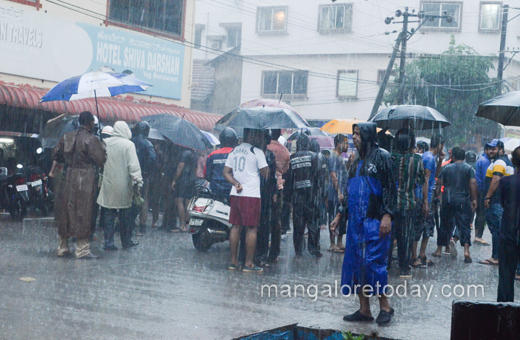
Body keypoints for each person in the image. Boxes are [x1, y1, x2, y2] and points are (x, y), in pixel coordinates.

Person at [330, 123, 396, 325]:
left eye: (358, 134)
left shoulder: (382, 157)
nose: (355, 138)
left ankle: (385, 307)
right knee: (356, 264)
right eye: (354, 134)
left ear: (368, 136)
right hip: (355, 224)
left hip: (374, 221)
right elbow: (350, 192)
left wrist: (387, 215)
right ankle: (364, 310)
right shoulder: (356, 160)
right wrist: (340, 215)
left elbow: (391, 188)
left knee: (373, 264)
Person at [52, 111, 106, 259]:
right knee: (84, 210)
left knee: (66, 210)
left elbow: (56, 154)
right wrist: (102, 145)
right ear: (89, 123)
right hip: (86, 178)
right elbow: (101, 160)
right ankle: (82, 249)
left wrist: (69, 161)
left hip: (69, 176)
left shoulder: (67, 137)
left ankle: (63, 246)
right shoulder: (92, 139)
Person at [224, 128, 268, 272]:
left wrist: (235, 182)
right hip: (251, 195)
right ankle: (248, 264)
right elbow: (265, 173)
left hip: (235, 193)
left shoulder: (234, 151)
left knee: (235, 226)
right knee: (251, 228)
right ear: (253, 135)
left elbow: (226, 172)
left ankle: (233, 261)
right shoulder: (257, 152)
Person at [97, 121, 142, 251]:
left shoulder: (105, 143)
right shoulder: (129, 145)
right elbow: (133, 166)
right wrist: (138, 182)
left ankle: (108, 242)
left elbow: (100, 162)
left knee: (109, 215)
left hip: (109, 184)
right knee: (125, 217)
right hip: (124, 185)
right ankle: (126, 241)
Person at [390, 128, 427, 278]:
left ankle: (385, 265)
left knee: (390, 235)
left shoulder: (390, 157)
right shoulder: (417, 160)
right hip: (408, 203)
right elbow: (420, 181)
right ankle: (404, 267)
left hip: (391, 204)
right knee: (405, 235)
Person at [433, 147, 477, 263]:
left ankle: (439, 250)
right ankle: (466, 251)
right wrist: (474, 199)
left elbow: (438, 180)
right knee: (465, 225)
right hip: (463, 200)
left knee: (444, 224)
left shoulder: (446, 168)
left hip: (447, 199)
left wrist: (437, 195)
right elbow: (472, 183)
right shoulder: (469, 169)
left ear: (453, 157)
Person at [412, 135, 444, 268]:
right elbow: (426, 179)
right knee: (420, 227)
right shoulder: (430, 158)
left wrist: (440, 160)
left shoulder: (427, 156)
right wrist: (426, 202)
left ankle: (421, 254)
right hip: (424, 197)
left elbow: (435, 176)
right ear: (439, 145)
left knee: (427, 227)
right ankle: (415, 256)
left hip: (423, 197)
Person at [286, 134, 321, 257]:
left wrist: (289, 198)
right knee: (312, 224)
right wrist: (318, 194)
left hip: (297, 197)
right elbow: (318, 177)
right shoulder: (314, 156)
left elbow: (289, 180)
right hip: (311, 196)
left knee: (298, 226)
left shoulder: (292, 158)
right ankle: (314, 249)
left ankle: (299, 250)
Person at [481, 139, 514, 265]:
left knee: (496, 228)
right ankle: (500, 256)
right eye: (489, 148)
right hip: (501, 200)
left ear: (500, 149)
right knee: (498, 228)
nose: (490, 151)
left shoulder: (500, 161)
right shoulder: (506, 161)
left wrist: (488, 197)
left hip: (496, 200)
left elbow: (496, 179)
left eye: (494, 149)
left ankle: (496, 257)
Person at [497, 146, 520, 302]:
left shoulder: (506, 181)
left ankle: (505, 310)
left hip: (509, 230)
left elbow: (504, 203)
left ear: (512, 162)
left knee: (506, 273)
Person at [265, 129, 290, 264]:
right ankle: (274, 252)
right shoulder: (284, 151)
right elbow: (285, 169)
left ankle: (261, 249)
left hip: (264, 188)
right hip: (279, 188)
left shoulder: (265, 148)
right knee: (276, 221)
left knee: (263, 219)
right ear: (280, 135)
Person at [130, 121, 157, 235]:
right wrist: (146, 169)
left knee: (131, 199)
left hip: (131, 174)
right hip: (143, 176)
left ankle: (129, 223)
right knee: (143, 200)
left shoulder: (130, 141)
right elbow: (153, 157)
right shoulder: (147, 144)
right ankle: (142, 225)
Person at [327, 134, 349, 252]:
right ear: (339, 144)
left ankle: (339, 242)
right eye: (345, 142)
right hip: (335, 194)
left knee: (341, 218)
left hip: (341, 194)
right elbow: (333, 175)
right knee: (333, 217)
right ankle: (332, 243)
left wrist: (349, 163)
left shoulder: (339, 157)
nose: (347, 145)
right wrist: (339, 192)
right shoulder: (333, 156)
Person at [205, 127, 238, 201]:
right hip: (233, 190)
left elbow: (207, 175)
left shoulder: (212, 154)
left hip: (216, 191)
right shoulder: (238, 154)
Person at [474, 142, 497, 245]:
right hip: (483, 190)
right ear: (486, 150)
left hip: (479, 190)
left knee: (479, 213)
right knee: (482, 213)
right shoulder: (486, 162)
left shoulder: (481, 160)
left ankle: (477, 235)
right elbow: (486, 179)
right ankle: (478, 236)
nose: (492, 151)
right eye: (490, 149)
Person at [171, 148, 198, 232]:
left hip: (183, 180)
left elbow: (180, 167)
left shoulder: (184, 153)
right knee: (188, 203)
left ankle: (182, 224)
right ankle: (187, 224)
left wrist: (175, 179)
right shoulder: (195, 154)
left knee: (179, 201)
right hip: (192, 180)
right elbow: (195, 169)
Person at [310, 139, 329, 229]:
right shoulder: (323, 157)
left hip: (316, 185)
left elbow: (314, 173)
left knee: (316, 203)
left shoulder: (314, 157)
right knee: (322, 203)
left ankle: (317, 222)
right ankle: (323, 222)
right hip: (323, 184)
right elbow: (325, 172)